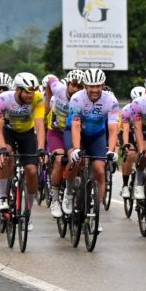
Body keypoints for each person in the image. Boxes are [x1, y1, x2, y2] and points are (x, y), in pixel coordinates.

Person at [63, 68, 119, 228]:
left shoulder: (111, 101)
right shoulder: (76, 98)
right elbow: (75, 125)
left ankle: (95, 212)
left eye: (98, 86)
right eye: (91, 86)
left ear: (103, 85)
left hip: (96, 136)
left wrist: (112, 150)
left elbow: (113, 128)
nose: (94, 90)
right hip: (76, 133)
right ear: (85, 86)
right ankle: (68, 193)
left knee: (100, 170)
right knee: (75, 162)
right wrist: (75, 149)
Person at [0, 72, 46, 231]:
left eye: (33, 91)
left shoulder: (37, 98)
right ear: (18, 90)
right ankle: (3, 196)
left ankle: (28, 212)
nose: (31, 95)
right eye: (27, 92)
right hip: (8, 132)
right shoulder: (4, 99)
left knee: (31, 170)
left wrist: (41, 148)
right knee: (6, 154)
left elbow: (39, 124)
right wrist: (1, 147)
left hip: (27, 134)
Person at [43, 70, 84, 218]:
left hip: (73, 132)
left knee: (76, 159)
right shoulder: (58, 89)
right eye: (73, 85)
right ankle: (54, 199)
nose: (76, 89)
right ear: (67, 84)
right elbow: (49, 79)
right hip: (56, 131)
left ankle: (68, 191)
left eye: (80, 86)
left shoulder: (83, 98)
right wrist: (47, 101)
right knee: (60, 160)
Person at [119, 86, 144, 199]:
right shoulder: (127, 110)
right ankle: (125, 185)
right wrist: (126, 145)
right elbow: (125, 130)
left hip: (142, 132)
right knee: (130, 154)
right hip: (128, 132)